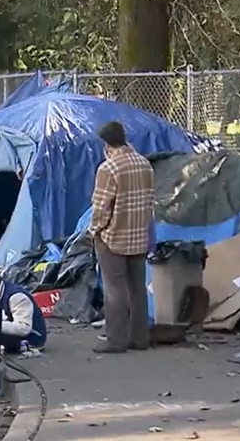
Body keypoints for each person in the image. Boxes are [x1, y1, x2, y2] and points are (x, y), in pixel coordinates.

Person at [86, 121, 155, 354]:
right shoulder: (144, 164)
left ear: (106, 144)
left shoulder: (109, 168)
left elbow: (101, 208)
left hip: (113, 237)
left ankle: (116, 340)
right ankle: (139, 337)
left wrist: (94, 231)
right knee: (137, 288)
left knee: (114, 289)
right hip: (139, 235)